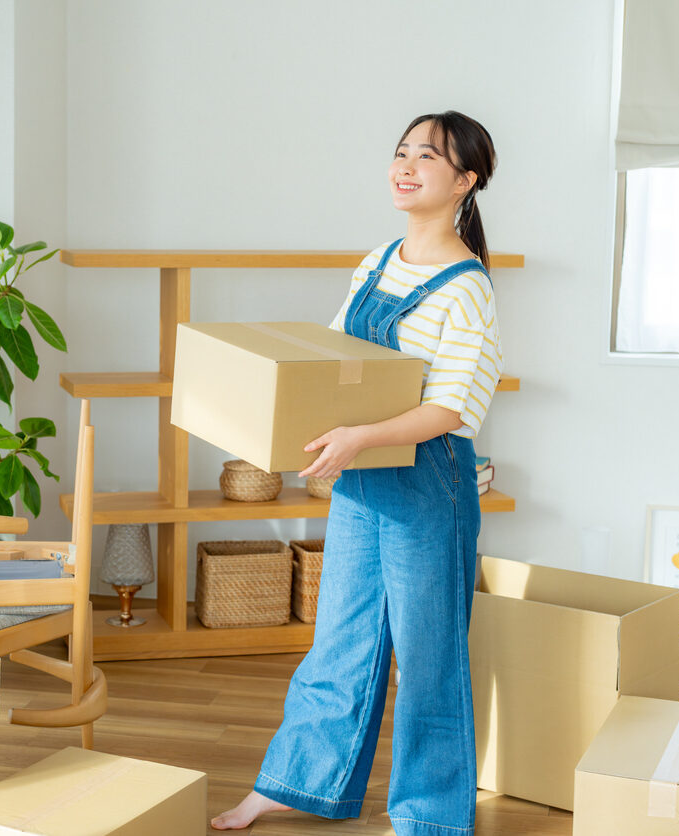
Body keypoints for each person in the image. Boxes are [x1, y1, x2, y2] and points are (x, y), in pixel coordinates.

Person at [211, 110, 502, 836]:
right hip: (367, 474)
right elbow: (340, 365)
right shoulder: (377, 260)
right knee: (339, 640)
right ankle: (294, 784)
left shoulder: (467, 288)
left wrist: (357, 437)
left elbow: (450, 409)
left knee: (429, 660)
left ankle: (429, 819)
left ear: (465, 180)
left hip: (429, 483)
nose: (405, 167)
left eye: (426, 158)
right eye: (401, 153)